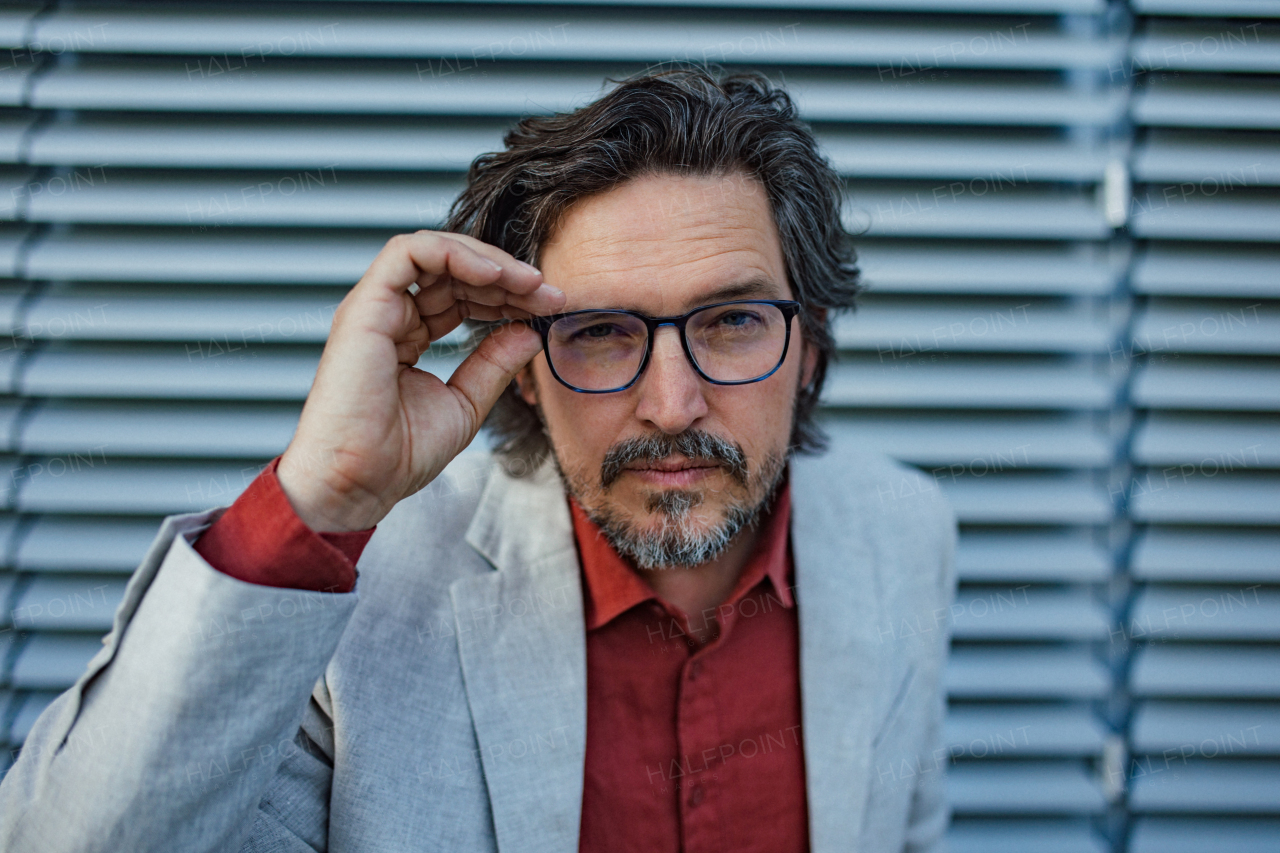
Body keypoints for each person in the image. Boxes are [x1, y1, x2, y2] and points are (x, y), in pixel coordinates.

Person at [0, 66, 956, 853]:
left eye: (736, 320)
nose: (671, 404)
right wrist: (320, 497)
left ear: (813, 346)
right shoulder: (360, 597)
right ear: (524, 370)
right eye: (599, 332)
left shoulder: (905, 534)